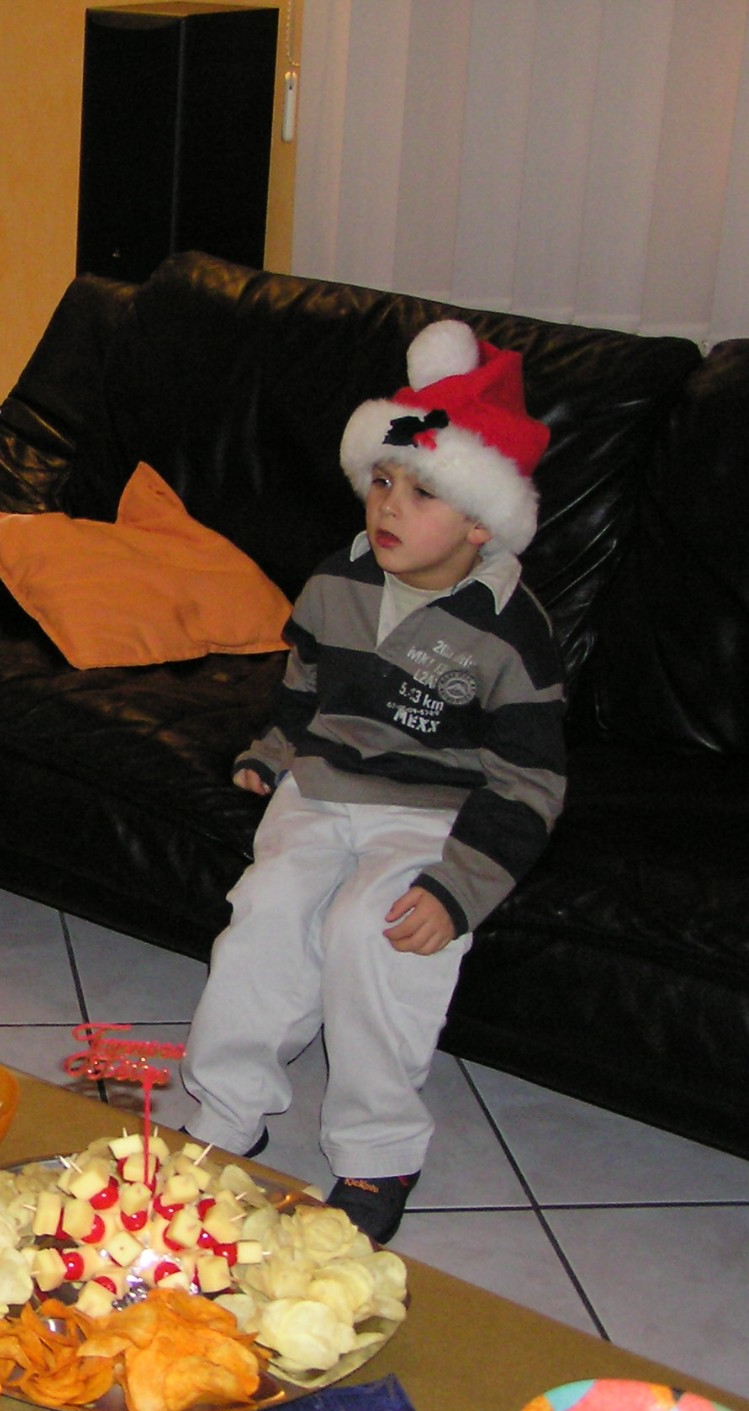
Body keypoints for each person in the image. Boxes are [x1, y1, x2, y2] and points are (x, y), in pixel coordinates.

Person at [178, 318, 568, 1243]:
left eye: (421, 492)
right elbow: (303, 690)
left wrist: (459, 888)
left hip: (430, 817)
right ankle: (226, 1108)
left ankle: (377, 1152)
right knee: (266, 908)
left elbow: (530, 784)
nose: (388, 507)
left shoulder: (512, 633)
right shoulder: (336, 583)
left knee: (373, 931)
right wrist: (273, 751)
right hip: (320, 791)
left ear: (480, 522)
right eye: (382, 482)